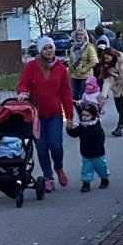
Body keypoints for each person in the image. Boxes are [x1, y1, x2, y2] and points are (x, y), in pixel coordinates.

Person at [16, 36, 75, 191]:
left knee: (56, 146)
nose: (48, 51)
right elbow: (23, 83)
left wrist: (69, 116)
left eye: (50, 47)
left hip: (54, 113)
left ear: (54, 48)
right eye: (45, 48)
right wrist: (22, 92)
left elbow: (66, 94)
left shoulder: (61, 69)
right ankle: (48, 178)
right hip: (36, 115)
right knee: (41, 147)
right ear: (40, 51)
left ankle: (59, 167)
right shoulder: (32, 66)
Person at [65, 100, 109, 192]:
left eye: (87, 116)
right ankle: (86, 183)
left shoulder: (96, 127)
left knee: (101, 167)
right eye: (83, 115)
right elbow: (74, 134)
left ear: (93, 116)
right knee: (86, 169)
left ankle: (104, 179)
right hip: (86, 153)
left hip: (97, 153)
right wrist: (69, 129)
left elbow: (101, 139)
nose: (84, 117)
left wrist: (98, 147)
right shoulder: (82, 126)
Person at [66, 28, 99, 102]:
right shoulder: (72, 47)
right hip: (74, 76)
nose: (79, 36)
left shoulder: (89, 47)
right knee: (74, 97)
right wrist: (69, 73)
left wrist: (84, 70)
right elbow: (71, 61)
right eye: (78, 35)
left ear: (85, 36)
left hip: (85, 76)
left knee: (85, 97)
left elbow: (94, 61)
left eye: (82, 34)